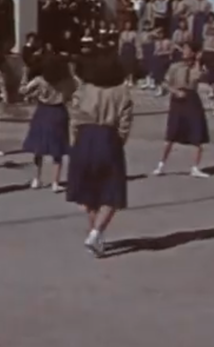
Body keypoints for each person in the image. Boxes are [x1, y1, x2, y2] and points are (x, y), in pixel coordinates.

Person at [66, 54, 133, 257]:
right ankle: (96, 233)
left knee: (90, 190)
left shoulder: (84, 89)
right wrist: (118, 141)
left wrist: (74, 142)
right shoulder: (122, 92)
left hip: (84, 137)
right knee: (112, 191)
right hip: (108, 137)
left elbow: (74, 118)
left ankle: (96, 236)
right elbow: (125, 123)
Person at [152, 43, 210, 178]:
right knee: (171, 133)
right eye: (184, 49)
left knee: (197, 132)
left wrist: (197, 62)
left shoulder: (198, 66)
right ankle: (161, 165)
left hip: (192, 99)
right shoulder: (175, 67)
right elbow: (165, 83)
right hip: (177, 99)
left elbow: (197, 78)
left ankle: (195, 167)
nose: (184, 51)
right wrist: (175, 91)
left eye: (187, 49)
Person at [20, 55, 75, 193]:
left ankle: (36, 179)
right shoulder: (67, 81)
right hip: (59, 112)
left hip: (43, 111)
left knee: (39, 147)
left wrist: (24, 77)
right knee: (58, 148)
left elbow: (24, 91)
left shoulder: (40, 80)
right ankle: (55, 182)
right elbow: (72, 95)